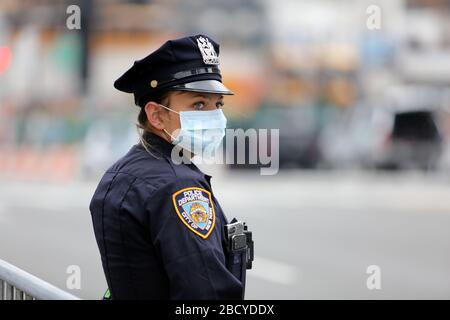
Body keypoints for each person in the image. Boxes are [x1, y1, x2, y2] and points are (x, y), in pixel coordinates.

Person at [89, 34, 253, 300]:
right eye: (199, 104)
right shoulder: (178, 186)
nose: (215, 116)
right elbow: (206, 293)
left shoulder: (122, 172)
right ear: (156, 115)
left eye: (218, 104)